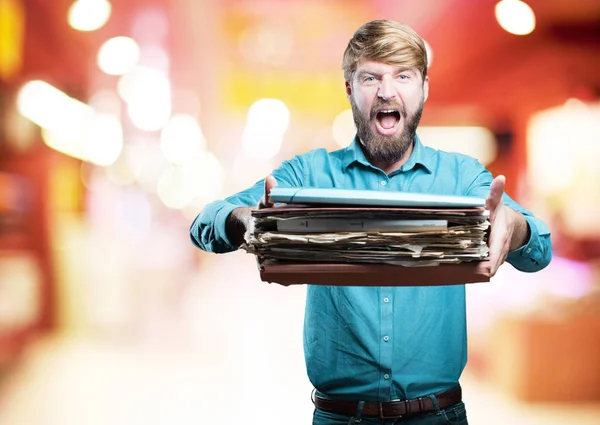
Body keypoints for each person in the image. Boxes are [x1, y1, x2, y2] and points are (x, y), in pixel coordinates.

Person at [190, 19, 552, 425]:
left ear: (424, 88)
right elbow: (205, 222)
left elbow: (539, 248)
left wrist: (515, 228)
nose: (386, 90)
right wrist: (245, 221)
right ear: (349, 89)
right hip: (340, 418)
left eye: (403, 75)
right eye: (370, 77)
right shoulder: (308, 175)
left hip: (438, 416)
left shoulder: (463, 178)